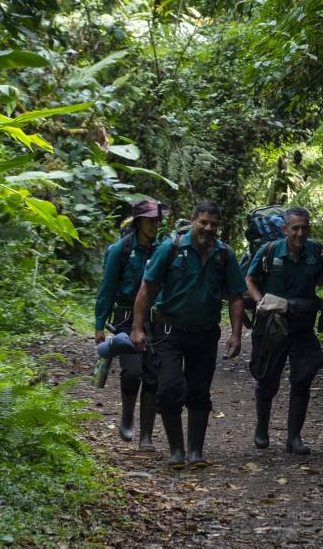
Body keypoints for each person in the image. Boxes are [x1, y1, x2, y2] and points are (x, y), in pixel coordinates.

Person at [130, 200, 246, 468]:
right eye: (203, 222)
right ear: (192, 220)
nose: (208, 228)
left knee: (199, 391)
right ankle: (176, 451)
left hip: (205, 334)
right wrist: (137, 328)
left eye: (213, 224)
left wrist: (236, 335)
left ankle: (196, 452)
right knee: (169, 387)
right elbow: (147, 289)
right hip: (168, 332)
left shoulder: (224, 254)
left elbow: (235, 296)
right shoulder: (170, 249)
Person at [245, 206, 323, 455]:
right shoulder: (269, 250)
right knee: (266, 377)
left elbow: (319, 281)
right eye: (295, 228)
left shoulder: (315, 250)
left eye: (304, 227)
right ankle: (262, 429)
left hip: (302, 323)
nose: (300, 232)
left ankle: (294, 437)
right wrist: (260, 301)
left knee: (303, 376)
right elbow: (250, 280)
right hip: (273, 323)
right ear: (285, 229)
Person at [94, 198, 167, 449]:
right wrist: (99, 324)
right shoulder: (120, 250)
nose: (155, 224)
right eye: (150, 220)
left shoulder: (162, 249)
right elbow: (107, 288)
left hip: (154, 320)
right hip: (125, 318)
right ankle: (127, 416)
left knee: (152, 374)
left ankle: (146, 435)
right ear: (139, 222)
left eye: (157, 220)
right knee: (132, 370)